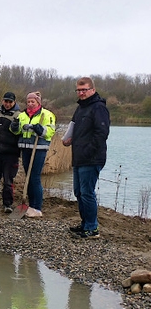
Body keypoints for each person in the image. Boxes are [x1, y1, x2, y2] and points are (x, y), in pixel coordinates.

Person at [62, 77, 110, 239]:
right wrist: (70, 140)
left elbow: (101, 133)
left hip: (92, 157)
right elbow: (77, 130)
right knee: (79, 192)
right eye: (79, 90)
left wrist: (89, 151)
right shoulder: (80, 108)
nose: (81, 93)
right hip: (78, 157)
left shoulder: (98, 108)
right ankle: (85, 224)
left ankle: (92, 228)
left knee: (87, 192)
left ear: (92, 90)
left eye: (84, 90)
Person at [10, 91, 56, 217]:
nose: (30, 104)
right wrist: (14, 127)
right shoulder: (22, 115)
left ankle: (37, 207)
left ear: (38, 102)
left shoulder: (46, 114)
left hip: (39, 148)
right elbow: (17, 131)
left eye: (33, 101)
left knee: (34, 177)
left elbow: (50, 130)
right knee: (28, 176)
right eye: (28, 101)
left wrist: (40, 129)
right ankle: (29, 205)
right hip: (25, 147)